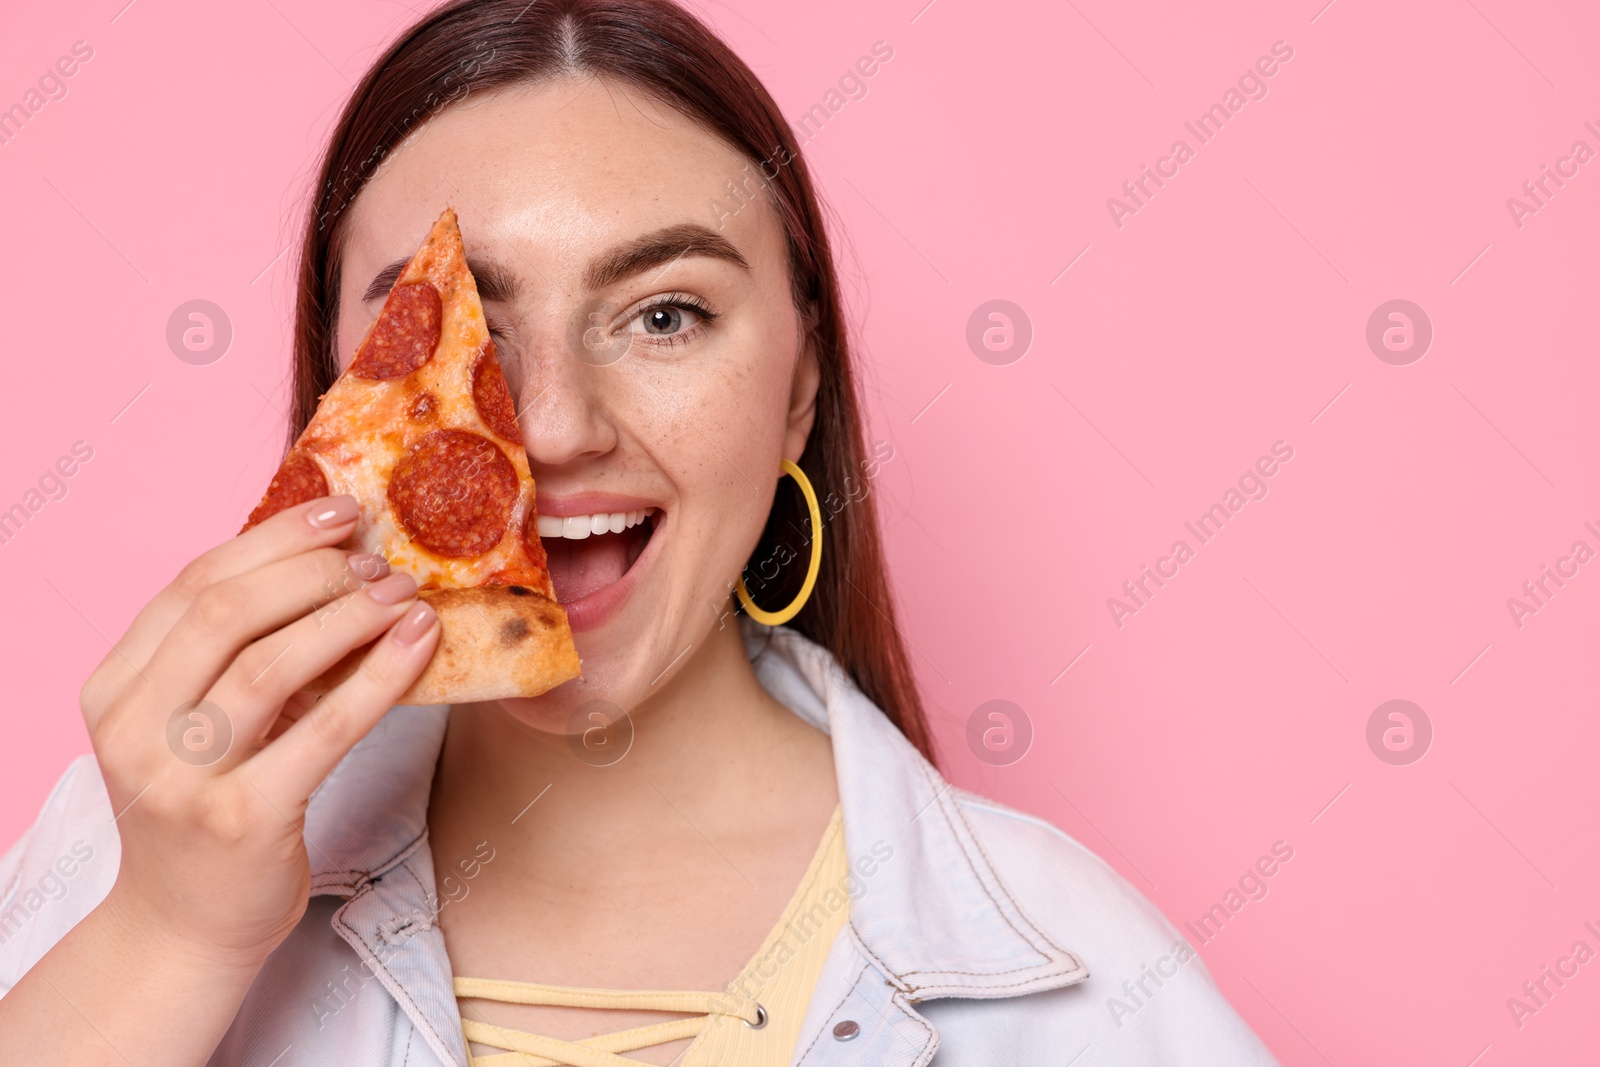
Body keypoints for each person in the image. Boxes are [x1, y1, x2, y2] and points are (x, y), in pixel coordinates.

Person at [0, 1, 1280, 1063]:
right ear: (343, 400)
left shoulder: (1086, 987)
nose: (551, 426)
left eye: (664, 315)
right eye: (450, 330)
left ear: (798, 385)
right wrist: (167, 937)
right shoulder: (145, 852)